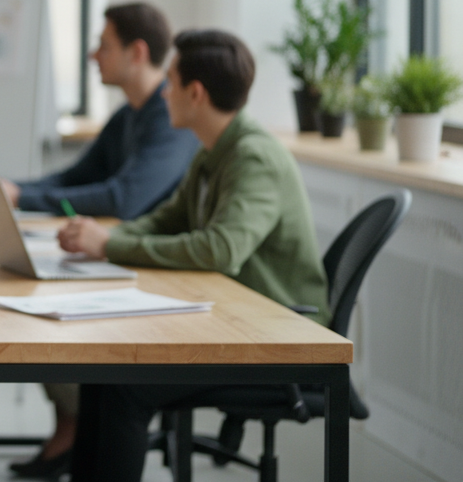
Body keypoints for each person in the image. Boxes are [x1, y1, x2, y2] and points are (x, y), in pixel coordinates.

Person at [58, 29, 330, 482]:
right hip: (236, 318)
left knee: (125, 383)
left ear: (195, 93)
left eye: (171, 81)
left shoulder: (253, 156)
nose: (163, 91)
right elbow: (167, 219)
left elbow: (220, 250)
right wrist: (105, 239)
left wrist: (111, 245)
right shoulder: (214, 151)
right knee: (101, 367)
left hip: (277, 333)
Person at [2, 3, 198, 479]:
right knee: (33, 290)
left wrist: (25, 195)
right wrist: (15, 191)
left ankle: (71, 432)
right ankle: (70, 431)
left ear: (137, 52)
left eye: (103, 45)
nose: (93, 55)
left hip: (152, 272)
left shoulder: (168, 119)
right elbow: (76, 176)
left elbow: (124, 197)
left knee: (45, 303)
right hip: (119, 258)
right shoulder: (129, 114)